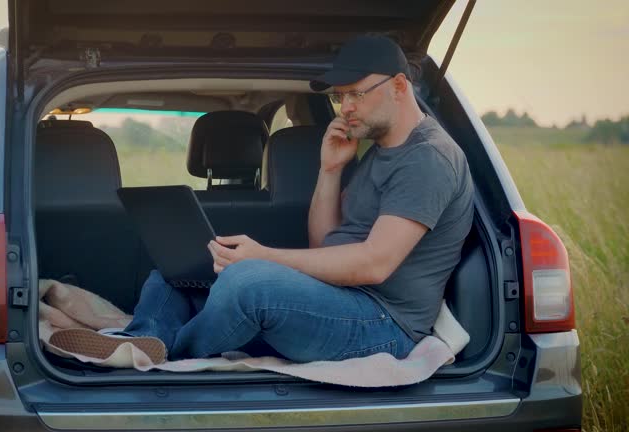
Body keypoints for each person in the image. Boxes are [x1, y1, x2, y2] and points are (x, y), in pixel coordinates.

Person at [113, 35, 475, 364]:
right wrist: (330, 169)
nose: (344, 107)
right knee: (177, 273)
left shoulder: (428, 157)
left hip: (383, 323)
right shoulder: (378, 152)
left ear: (398, 86)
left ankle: (166, 354)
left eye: (355, 93)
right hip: (337, 298)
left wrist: (265, 257)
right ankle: (142, 339)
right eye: (338, 96)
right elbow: (323, 245)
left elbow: (374, 264)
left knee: (249, 283)